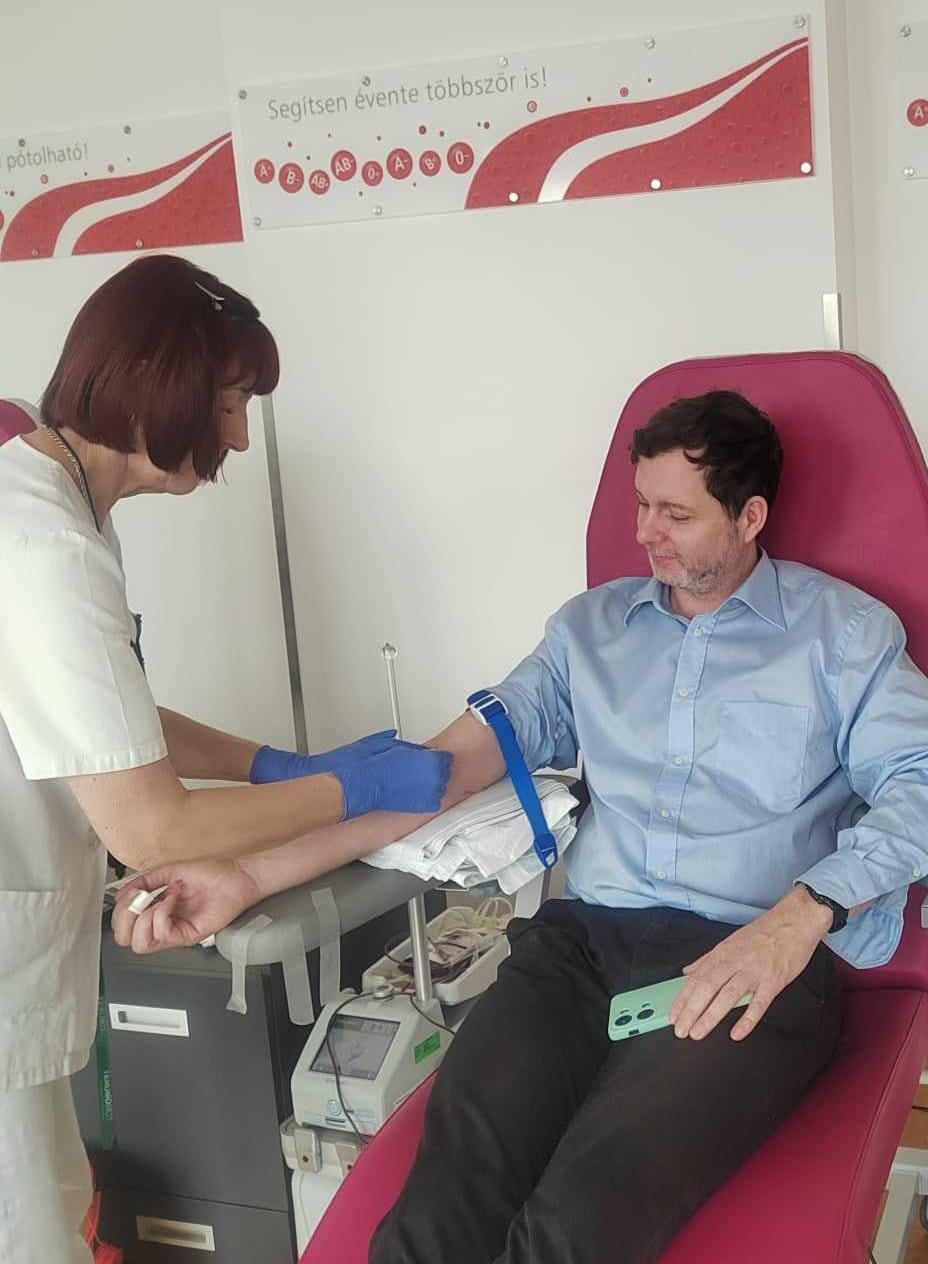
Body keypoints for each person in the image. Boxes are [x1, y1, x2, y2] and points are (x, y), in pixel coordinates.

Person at [112, 390, 928, 1264]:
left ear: (750, 516)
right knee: (444, 1200)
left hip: (750, 955)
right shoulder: (588, 633)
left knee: (578, 1220)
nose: (645, 533)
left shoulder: (842, 638)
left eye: (677, 514)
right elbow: (437, 773)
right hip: (581, 949)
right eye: (640, 504)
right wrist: (248, 874)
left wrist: (799, 919)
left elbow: (919, 783)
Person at [0, 254, 452, 1264]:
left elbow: (109, 717)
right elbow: (152, 825)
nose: (241, 436)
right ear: (155, 384)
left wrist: (270, 766)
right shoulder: (42, 546)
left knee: (54, 1214)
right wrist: (352, 787)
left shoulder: (55, 499)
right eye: (230, 402)